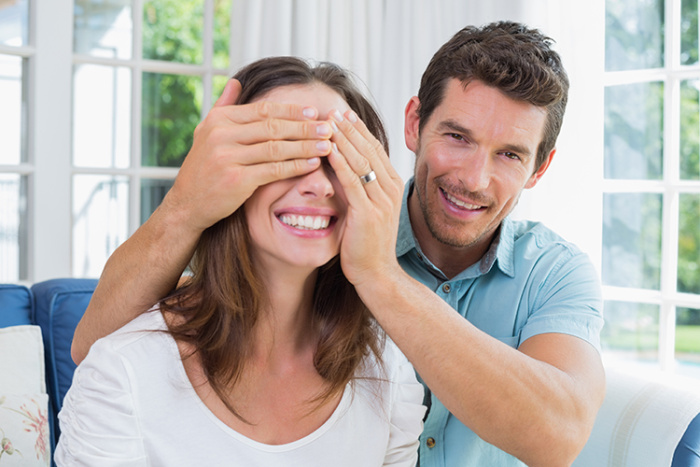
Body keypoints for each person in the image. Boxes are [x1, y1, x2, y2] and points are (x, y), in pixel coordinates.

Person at [71, 21, 606, 467]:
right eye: (457, 137)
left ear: (541, 167)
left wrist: (379, 276)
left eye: (510, 155)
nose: (473, 177)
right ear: (415, 123)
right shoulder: (315, 231)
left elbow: (557, 435)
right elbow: (98, 352)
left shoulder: (554, 272)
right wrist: (188, 201)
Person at [55, 57, 425, 466]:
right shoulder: (123, 376)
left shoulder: (387, 374)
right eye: (285, 154)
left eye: (339, 160)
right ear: (220, 173)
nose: (319, 185)